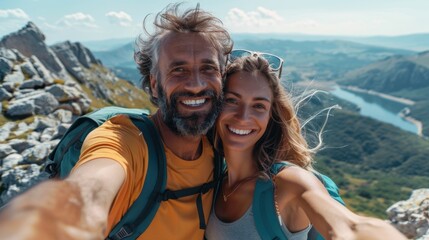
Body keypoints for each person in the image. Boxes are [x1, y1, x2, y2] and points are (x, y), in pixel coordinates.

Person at [0, 3, 232, 239]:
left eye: (208, 68)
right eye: (178, 70)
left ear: (222, 78)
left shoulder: (223, 149)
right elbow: (89, 188)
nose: (196, 84)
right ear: (154, 84)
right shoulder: (125, 141)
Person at [204, 51, 407, 240]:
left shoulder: (288, 182)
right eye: (232, 100)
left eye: (259, 106)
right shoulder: (213, 179)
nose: (243, 116)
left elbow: (351, 226)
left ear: (271, 117)